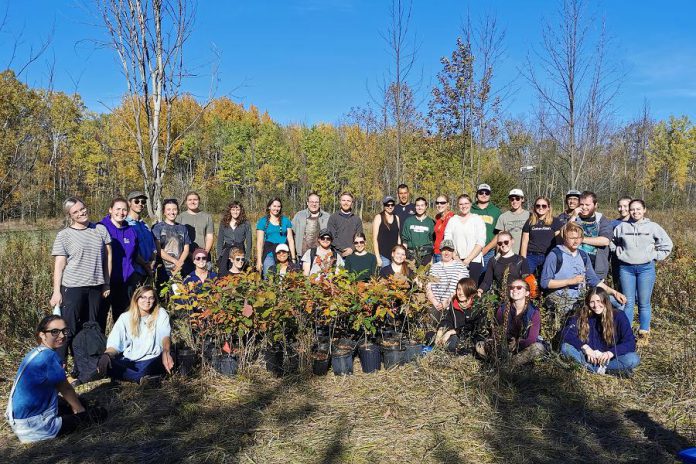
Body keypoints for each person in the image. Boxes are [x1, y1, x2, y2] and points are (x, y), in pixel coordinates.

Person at [5, 315, 107, 443]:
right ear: (42, 335)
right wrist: (81, 412)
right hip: (36, 428)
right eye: (55, 332)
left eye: (64, 331)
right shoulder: (49, 357)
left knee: (76, 402)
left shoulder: (35, 353)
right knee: (98, 413)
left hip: (19, 422)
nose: (62, 335)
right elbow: (65, 388)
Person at [50, 197, 112, 361]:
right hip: (72, 287)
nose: (81, 213)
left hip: (95, 287)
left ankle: (85, 365)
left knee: (91, 326)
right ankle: (60, 364)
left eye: (82, 208)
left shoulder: (100, 230)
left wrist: (106, 283)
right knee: (67, 328)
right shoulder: (64, 235)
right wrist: (56, 292)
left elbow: (108, 258)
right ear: (70, 215)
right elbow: (59, 265)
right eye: (75, 212)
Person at [613, 199, 673, 340]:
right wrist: (619, 252)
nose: (635, 212)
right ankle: (625, 335)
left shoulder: (653, 227)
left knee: (644, 303)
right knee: (627, 302)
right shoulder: (621, 227)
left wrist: (654, 256)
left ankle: (643, 334)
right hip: (626, 269)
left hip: (646, 269)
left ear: (644, 210)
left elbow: (667, 245)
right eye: (632, 209)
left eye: (638, 209)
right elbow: (612, 242)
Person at [540, 222, 626, 315]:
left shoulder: (583, 255)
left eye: (579, 238)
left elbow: (593, 280)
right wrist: (569, 281)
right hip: (561, 302)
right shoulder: (555, 255)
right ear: (564, 237)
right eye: (572, 238)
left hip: (581, 300)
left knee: (618, 303)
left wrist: (614, 292)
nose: (576, 241)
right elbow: (545, 283)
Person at [97, 286, 174, 383]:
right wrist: (107, 355)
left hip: (152, 358)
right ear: (136, 299)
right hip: (130, 360)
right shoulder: (125, 317)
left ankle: (132, 377)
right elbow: (115, 344)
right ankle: (142, 378)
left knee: (165, 358)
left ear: (155, 300)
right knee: (108, 363)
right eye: (143, 297)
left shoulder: (160, 313)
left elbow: (165, 335)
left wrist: (166, 351)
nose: (147, 301)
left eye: (151, 297)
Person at [561, 288, 640, 376]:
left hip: (609, 358)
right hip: (588, 357)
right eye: (592, 302)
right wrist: (585, 347)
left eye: (599, 301)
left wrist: (611, 352)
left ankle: (593, 369)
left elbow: (630, 342)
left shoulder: (619, 316)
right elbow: (566, 333)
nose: (596, 305)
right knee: (565, 348)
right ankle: (606, 370)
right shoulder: (581, 315)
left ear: (605, 300)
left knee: (633, 359)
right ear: (587, 303)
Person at [99, 197, 143, 332]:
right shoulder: (101, 228)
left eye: (124, 209)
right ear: (110, 210)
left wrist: (146, 266)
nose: (121, 212)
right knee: (100, 316)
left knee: (123, 318)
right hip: (105, 282)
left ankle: (121, 348)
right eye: (117, 209)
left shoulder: (131, 231)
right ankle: (100, 349)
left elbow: (134, 255)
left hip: (125, 282)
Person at [477, 279, 546, 366]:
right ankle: (502, 363)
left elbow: (531, 339)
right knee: (480, 345)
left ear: (527, 293)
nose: (514, 290)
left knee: (538, 348)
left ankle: (508, 364)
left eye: (519, 287)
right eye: (512, 287)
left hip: (523, 348)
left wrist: (517, 344)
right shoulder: (502, 309)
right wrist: (500, 343)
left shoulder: (534, 312)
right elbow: (496, 332)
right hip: (504, 346)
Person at [433, 278, 489, 354]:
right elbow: (447, 320)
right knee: (431, 335)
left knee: (480, 346)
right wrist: (441, 330)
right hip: (457, 336)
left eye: (464, 289)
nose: (460, 293)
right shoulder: (454, 303)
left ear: (471, 290)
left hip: (473, 337)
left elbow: (474, 326)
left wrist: (451, 332)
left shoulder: (478, 305)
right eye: (458, 289)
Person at [443, 194, 487, 282]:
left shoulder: (477, 219)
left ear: (471, 204)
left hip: (474, 260)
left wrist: (467, 260)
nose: (464, 206)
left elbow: (481, 242)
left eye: (466, 203)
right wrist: (456, 258)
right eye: (461, 204)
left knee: (471, 289)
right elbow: (448, 240)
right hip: (456, 260)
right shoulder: (453, 220)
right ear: (457, 206)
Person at [572, 191, 613, 281]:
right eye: (581, 204)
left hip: (596, 267)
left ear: (595, 205)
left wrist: (580, 239)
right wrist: (573, 217)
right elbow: (565, 236)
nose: (584, 207)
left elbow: (605, 241)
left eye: (587, 205)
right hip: (575, 265)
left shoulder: (601, 220)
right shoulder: (574, 218)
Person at [426, 239, 468, 324]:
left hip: (452, 305)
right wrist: (434, 302)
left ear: (453, 252)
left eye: (449, 250)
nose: (446, 253)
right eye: (444, 250)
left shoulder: (461, 267)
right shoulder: (434, 267)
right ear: (440, 251)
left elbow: (462, 289)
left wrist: (447, 301)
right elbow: (428, 287)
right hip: (435, 305)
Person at [152, 198, 191, 285]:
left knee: (179, 295)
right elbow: (158, 249)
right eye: (168, 209)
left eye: (174, 209)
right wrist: (174, 261)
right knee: (163, 295)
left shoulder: (183, 228)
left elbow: (186, 249)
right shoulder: (157, 227)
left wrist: (179, 263)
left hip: (180, 269)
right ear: (164, 212)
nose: (172, 212)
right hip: (163, 269)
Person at [520, 196, 562, 276]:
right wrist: (523, 260)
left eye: (544, 206)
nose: (540, 208)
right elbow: (524, 243)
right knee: (525, 278)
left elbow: (558, 241)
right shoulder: (530, 222)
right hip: (531, 256)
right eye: (538, 205)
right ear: (535, 207)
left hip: (548, 255)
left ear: (548, 208)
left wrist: (557, 257)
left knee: (545, 281)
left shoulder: (555, 221)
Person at [483, 189, 530, 257]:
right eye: (512, 199)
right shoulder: (503, 217)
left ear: (522, 199)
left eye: (517, 199)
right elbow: (499, 237)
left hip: (525, 254)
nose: (514, 201)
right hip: (507, 255)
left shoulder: (529, 215)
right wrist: (498, 256)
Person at [255, 198, 296, 276]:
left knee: (285, 277)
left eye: (278, 206)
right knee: (268, 275)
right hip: (269, 253)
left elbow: (290, 240)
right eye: (274, 206)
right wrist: (259, 261)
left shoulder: (286, 221)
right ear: (269, 207)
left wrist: (293, 258)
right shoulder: (262, 221)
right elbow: (260, 242)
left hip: (283, 253)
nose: (276, 208)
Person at [125, 191, 157, 285]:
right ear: (129, 203)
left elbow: (153, 247)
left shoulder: (145, 225)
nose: (140, 204)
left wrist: (153, 262)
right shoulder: (125, 224)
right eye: (137, 201)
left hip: (149, 271)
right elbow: (130, 249)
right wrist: (145, 265)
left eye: (143, 202)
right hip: (134, 271)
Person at [216, 201, 252, 274]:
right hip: (226, 251)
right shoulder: (223, 223)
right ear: (230, 210)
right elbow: (220, 241)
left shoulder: (245, 223)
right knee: (224, 273)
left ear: (241, 211)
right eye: (233, 209)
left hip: (240, 251)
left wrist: (247, 257)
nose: (235, 212)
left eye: (237, 210)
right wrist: (219, 256)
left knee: (240, 273)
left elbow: (249, 242)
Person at [471, 184, 502, 269]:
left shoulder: (496, 211)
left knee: (485, 279)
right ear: (477, 194)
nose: (484, 194)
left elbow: (499, 234)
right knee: (470, 279)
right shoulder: (470, 209)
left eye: (487, 193)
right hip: (470, 251)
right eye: (481, 192)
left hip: (488, 252)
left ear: (490, 195)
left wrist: (486, 249)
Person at [291, 192, 331, 258]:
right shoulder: (299, 215)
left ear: (319, 203)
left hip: (321, 255)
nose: (314, 204)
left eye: (316, 202)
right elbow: (291, 233)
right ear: (307, 203)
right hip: (302, 254)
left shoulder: (327, 216)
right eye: (312, 202)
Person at [177, 191, 214, 257]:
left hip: (203, 254)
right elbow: (178, 239)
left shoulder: (207, 217)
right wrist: (189, 255)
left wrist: (205, 253)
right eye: (190, 200)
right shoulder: (180, 217)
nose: (192, 202)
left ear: (199, 201)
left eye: (195, 200)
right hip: (184, 256)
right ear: (186, 202)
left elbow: (209, 237)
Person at [327, 191, 363, 258]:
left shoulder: (357, 219)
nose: (346, 203)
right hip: (337, 255)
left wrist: (352, 249)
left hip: (353, 255)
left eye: (348, 201)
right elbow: (331, 237)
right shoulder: (333, 217)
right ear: (340, 202)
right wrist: (342, 249)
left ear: (352, 203)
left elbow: (359, 237)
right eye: (343, 200)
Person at [402, 196, 435, 266]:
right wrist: (403, 255)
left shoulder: (431, 222)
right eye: (418, 205)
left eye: (422, 205)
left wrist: (432, 258)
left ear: (426, 206)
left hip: (426, 255)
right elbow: (405, 241)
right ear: (415, 207)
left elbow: (433, 242)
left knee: (424, 276)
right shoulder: (409, 221)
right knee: (411, 276)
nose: (420, 208)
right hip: (411, 256)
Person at [609, 196, 632, 290]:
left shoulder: (639, 222)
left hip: (634, 262)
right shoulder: (613, 224)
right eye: (619, 206)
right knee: (620, 287)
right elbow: (610, 241)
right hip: (617, 261)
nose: (622, 209)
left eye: (625, 206)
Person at [372, 196, 401, 268]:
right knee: (385, 278)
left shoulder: (396, 218)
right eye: (387, 205)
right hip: (383, 255)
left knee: (396, 278)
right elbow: (375, 239)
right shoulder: (378, 217)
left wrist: (399, 252)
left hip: (395, 255)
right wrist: (378, 257)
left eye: (392, 205)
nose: (390, 207)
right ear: (384, 205)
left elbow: (398, 237)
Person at [432, 195, 454, 263]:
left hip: (444, 253)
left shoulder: (451, 217)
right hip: (435, 252)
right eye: (437, 202)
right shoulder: (438, 217)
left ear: (448, 204)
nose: (439, 205)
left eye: (442, 203)